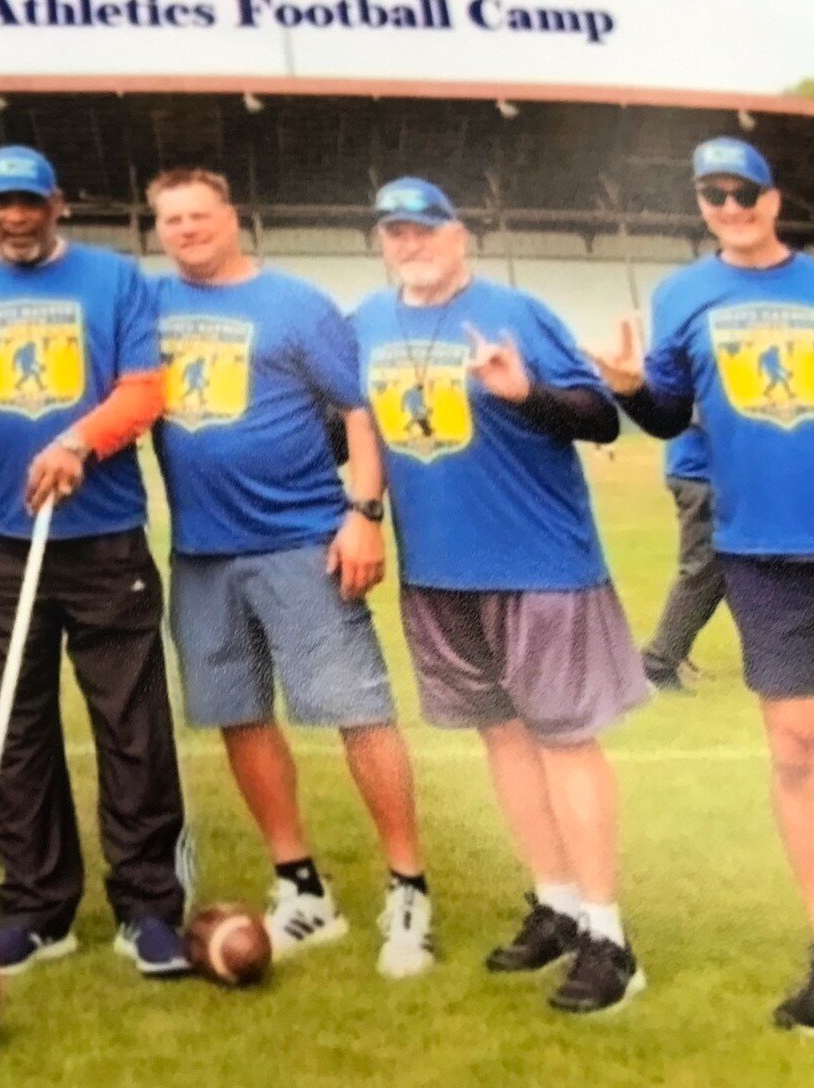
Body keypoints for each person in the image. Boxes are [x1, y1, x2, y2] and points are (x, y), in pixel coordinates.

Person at [591, 137, 814, 1034]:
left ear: (772, 199)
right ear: (700, 205)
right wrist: (631, 385)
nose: (728, 205)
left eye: (741, 190)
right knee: (796, 748)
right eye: (710, 193)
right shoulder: (683, 296)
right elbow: (669, 410)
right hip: (761, 557)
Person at [351, 177, 647, 1015]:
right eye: (393, 233)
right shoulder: (366, 325)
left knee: (564, 743)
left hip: (540, 566)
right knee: (502, 738)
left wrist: (526, 395)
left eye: (422, 229)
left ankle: (609, 937)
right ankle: (554, 904)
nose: (407, 244)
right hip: (438, 572)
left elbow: (598, 418)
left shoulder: (517, 312)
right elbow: (356, 426)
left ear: (459, 235)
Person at [145, 167, 433, 978]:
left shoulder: (297, 304)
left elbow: (359, 409)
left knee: (356, 710)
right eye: (170, 221)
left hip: (302, 540)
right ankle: (299, 885)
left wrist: (363, 513)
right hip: (202, 551)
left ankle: (407, 886)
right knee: (239, 713)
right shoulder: (153, 306)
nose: (186, 230)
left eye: (199, 215)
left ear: (231, 215)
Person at [0, 145, 189, 977]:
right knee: (16, 730)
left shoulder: (114, 280)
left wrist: (78, 441)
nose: (14, 217)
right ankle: (37, 908)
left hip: (104, 541)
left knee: (132, 727)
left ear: (57, 203)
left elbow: (145, 389)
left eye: (29, 203)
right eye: (1, 204)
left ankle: (148, 906)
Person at [640, 419, 724, 692]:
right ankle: (658, 662)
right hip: (701, 475)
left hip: (709, 474)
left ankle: (673, 650)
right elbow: (691, 410)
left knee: (726, 573)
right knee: (702, 571)